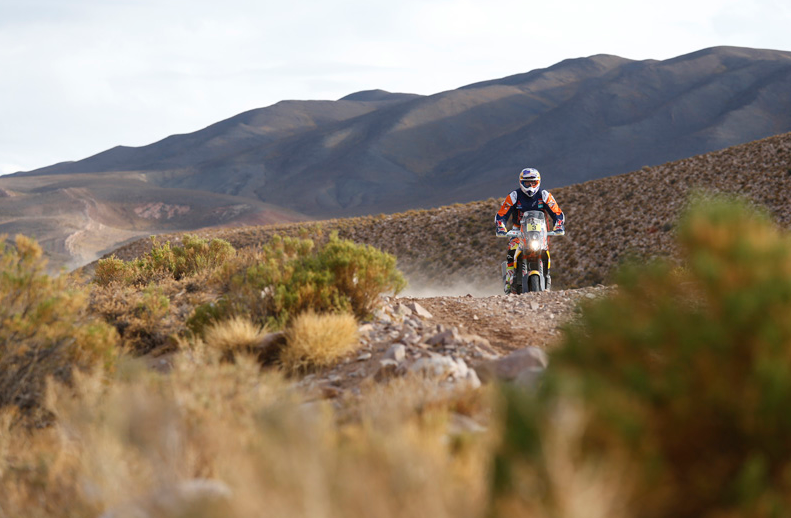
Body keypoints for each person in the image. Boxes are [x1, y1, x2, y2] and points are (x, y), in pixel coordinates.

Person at [495, 167, 565, 293]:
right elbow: (502, 213)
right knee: (512, 251)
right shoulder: (514, 196)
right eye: (527, 182)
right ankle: (509, 283)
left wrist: (559, 224)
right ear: (521, 182)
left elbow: (557, 212)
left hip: (539, 230)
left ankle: (547, 277)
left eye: (533, 182)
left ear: (538, 182)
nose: (530, 185)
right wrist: (501, 226)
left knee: (544, 250)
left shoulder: (544, 195)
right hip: (519, 230)